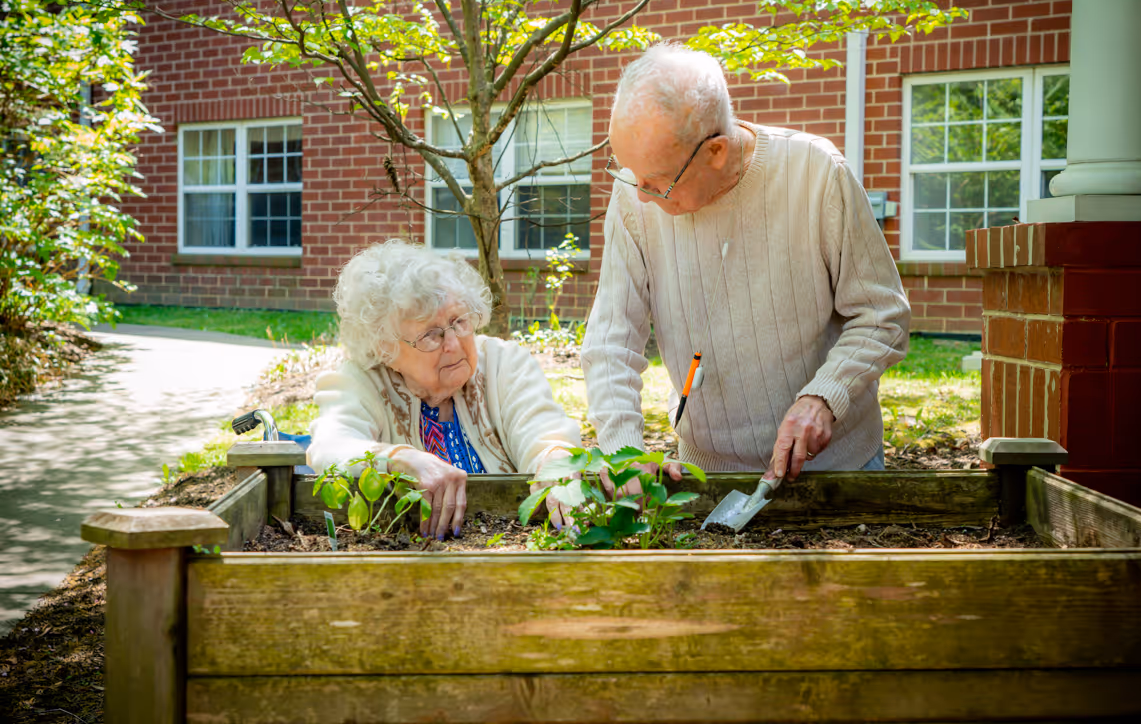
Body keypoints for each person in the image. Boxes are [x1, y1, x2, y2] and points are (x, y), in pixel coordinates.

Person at [582, 42, 910, 484]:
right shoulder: (633, 195)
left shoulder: (815, 173)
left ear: (716, 151)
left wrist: (824, 397)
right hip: (706, 473)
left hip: (834, 468)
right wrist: (623, 450)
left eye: (656, 182)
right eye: (628, 173)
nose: (640, 195)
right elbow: (610, 340)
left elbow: (881, 314)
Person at [309, 240, 582, 540]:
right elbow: (331, 446)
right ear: (384, 347)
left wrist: (554, 461)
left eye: (459, 321)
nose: (453, 344)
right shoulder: (359, 382)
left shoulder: (504, 364)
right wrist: (397, 458)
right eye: (431, 335)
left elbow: (543, 432)